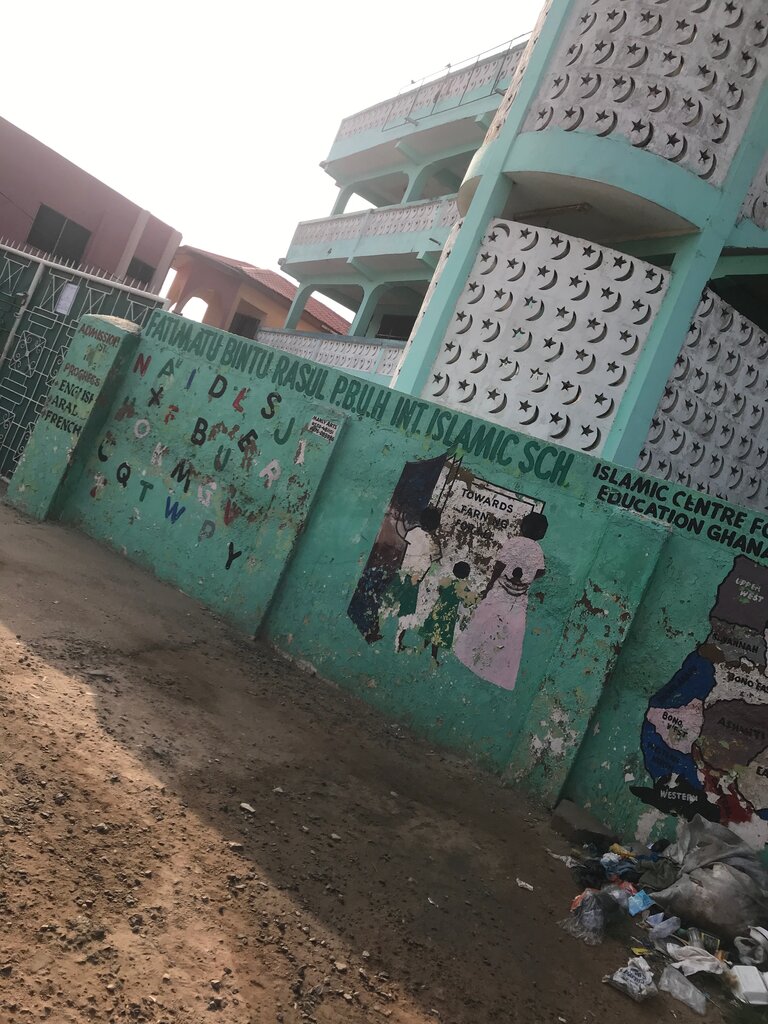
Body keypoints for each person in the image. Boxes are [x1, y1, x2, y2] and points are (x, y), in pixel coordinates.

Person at [454, 511, 548, 690]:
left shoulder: (514, 542)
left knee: (482, 625)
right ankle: (499, 674)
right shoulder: (537, 550)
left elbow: (500, 565)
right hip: (518, 599)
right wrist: (528, 578)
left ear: (523, 526)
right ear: (541, 533)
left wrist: (489, 586)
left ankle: (468, 656)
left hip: (501, 592)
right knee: (510, 636)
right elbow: (541, 571)